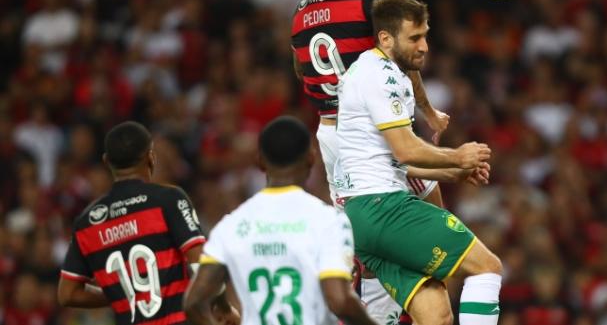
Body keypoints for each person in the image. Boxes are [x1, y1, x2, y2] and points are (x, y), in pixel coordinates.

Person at [291, 0, 461, 324]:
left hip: (330, 134)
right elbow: (401, 56)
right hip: (371, 131)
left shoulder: (302, 8)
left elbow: (300, 69)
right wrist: (429, 112)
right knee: (434, 226)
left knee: (363, 238)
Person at [336, 0, 503, 325]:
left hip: (362, 215)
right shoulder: (379, 76)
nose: (424, 46)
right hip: (384, 208)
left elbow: (389, 161)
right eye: (414, 37)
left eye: (425, 35)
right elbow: (405, 150)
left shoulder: (376, 71)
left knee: (436, 315)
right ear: (385, 38)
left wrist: (452, 171)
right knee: (487, 268)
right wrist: (457, 156)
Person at [183, 116, 379, 325]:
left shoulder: (232, 225)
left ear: (259, 161)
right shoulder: (328, 221)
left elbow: (194, 302)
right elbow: (339, 301)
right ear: (311, 158)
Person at [57, 121, 221, 325]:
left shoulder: (87, 223)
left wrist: (123, 293)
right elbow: (201, 263)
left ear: (107, 161)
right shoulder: (168, 199)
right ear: (150, 157)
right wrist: (222, 307)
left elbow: (67, 294)